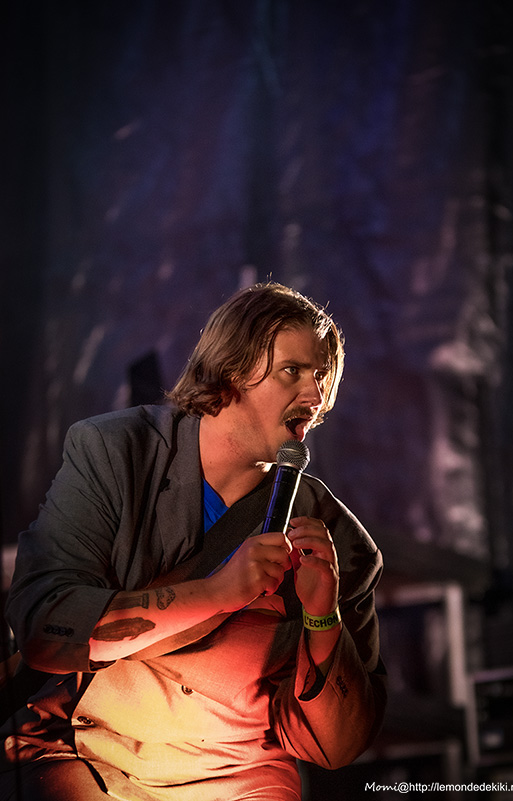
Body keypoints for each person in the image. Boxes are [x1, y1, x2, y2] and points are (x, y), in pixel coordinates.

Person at [0, 282, 386, 801]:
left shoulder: (337, 538)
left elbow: (337, 747)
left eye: (321, 377)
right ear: (231, 369)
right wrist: (218, 591)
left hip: (239, 775)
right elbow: (44, 626)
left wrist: (323, 618)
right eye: (291, 371)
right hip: (89, 752)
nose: (315, 397)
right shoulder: (116, 453)